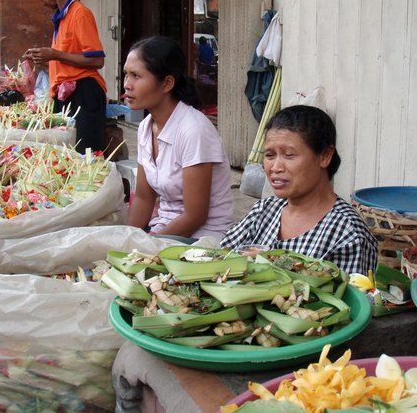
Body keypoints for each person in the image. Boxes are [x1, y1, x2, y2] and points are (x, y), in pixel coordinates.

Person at [221, 105, 378, 275]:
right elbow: (221, 256)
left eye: (289, 155)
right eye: (269, 155)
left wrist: (275, 266)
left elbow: (350, 297)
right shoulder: (265, 210)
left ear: (325, 156)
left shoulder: (348, 234)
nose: (275, 167)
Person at [124, 35, 234, 239]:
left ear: (166, 84)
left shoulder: (194, 130)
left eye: (136, 76)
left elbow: (195, 216)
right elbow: (143, 198)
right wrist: (125, 241)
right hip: (164, 230)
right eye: (126, 75)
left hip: (203, 238)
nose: (127, 85)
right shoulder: (145, 127)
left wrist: (148, 247)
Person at [21, 0, 107, 154]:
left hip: (84, 94)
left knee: (85, 154)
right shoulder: (62, 17)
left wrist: (54, 54)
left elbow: (96, 60)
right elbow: (65, 62)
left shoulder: (80, 14)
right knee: (65, 153)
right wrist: (43, 60)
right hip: (66, 94)